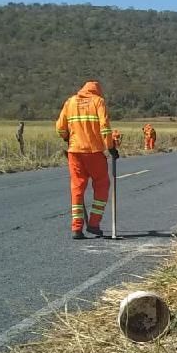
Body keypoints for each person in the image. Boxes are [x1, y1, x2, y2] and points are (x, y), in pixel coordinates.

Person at [55, 81, 118, 240]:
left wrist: (67, 138)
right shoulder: (98, 101)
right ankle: (94, 224)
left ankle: (76, 228)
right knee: (102, 185)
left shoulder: (70, 102)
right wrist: (110, 147)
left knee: (77, 188)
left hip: (74, 152)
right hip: (94, 152)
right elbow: (105, 126)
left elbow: (60, 128)